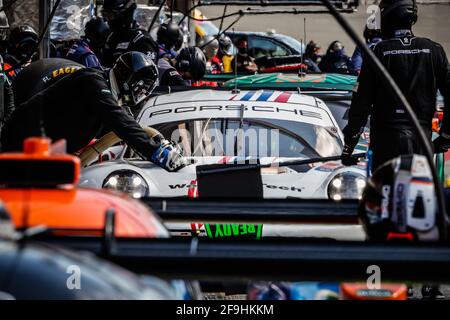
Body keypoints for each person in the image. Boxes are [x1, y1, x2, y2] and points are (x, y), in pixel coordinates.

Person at [1, 52, 186, 172]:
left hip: (43, 154)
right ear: (128, 78)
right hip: (21, 144)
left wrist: (160, 141)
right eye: (140, 88)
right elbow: (120, 121)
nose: (140, 94)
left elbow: (130, 126)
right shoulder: (94, 80)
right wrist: (156, 151)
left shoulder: (109, 96)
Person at [340, 0, 450, 172]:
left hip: (385, 144)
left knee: (382, 196)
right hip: (421, 142)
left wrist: (349, 146)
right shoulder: (434, 50)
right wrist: (445, 138)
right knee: (418, 195)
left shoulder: (378, 51)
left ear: (388, 17)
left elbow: (361, 103)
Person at [101, 0, 159, 67]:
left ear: (125, 14)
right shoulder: (110, 37)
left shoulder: (141, 41)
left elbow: (147, 73)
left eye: (111, 15)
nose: (107, 20)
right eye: (105, 15)